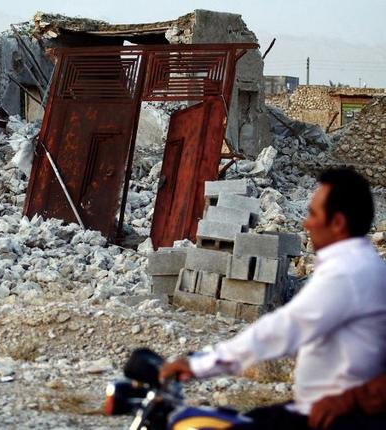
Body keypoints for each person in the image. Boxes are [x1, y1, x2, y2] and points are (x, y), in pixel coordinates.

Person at [160, 168, 386, 430]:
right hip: (325, 410)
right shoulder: (364, 266)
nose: (306, 224)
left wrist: (199, 364)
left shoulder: (348, 274)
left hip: (336, 419)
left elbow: (281, 330)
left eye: (313, 214)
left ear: (337, 223)